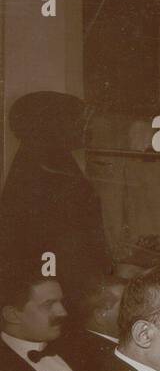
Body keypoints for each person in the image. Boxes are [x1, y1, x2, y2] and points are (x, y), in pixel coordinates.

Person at [0, 91, 111, 305]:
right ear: (53, 125)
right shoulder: (48, 173)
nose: (84, 128)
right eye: (76, 120)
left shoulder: (43, 165)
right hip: (56, 287)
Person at [53, 274, 125, 371]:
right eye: (128, 305)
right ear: (101, 315)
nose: (137, 311)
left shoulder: (76, 346)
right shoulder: (103, 362)